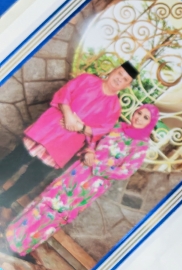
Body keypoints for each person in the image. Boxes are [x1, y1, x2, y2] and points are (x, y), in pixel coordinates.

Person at [5, 105, 158, 257]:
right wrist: (90, 151)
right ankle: (13, 233)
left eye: (145, 117)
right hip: (77, 171)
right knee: (46, 200)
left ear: (150, 123)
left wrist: (97, 165)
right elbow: (94, 138)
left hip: (92, 185)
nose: (139, 118)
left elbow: (125, 171)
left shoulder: (141, 146)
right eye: (139, 113)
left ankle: (22, 245)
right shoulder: (118, 127)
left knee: (58, 213)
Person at [0, 63, 137, 210]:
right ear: (113, 70)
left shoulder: (115, 108)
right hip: (47, 129)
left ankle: (5, 200)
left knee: (34, 176)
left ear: (127, 86)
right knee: (16, 158)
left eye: (124, 79)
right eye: (119, 73)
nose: (119, 79)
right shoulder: (87, 80)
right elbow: (64, 93)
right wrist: (68, 116)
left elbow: (101, 131)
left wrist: (82, 127)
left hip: (66, 144)